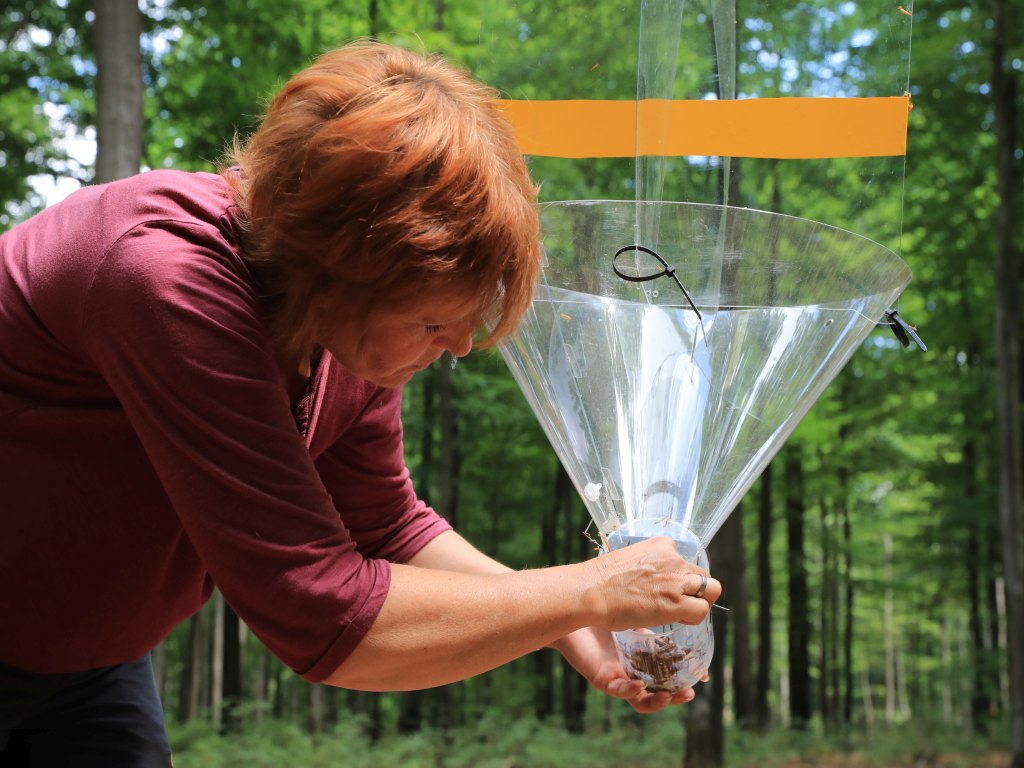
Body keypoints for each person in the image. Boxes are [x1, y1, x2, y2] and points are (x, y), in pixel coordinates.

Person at [0, 41, 721, 765]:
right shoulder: (160, 273)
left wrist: (572, 625)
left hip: (91, 664)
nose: (460, 347)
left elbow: (388, 525)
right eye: (433, 324)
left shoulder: (346, 331)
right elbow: (326, 619)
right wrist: (588, 591)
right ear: (334, 266)